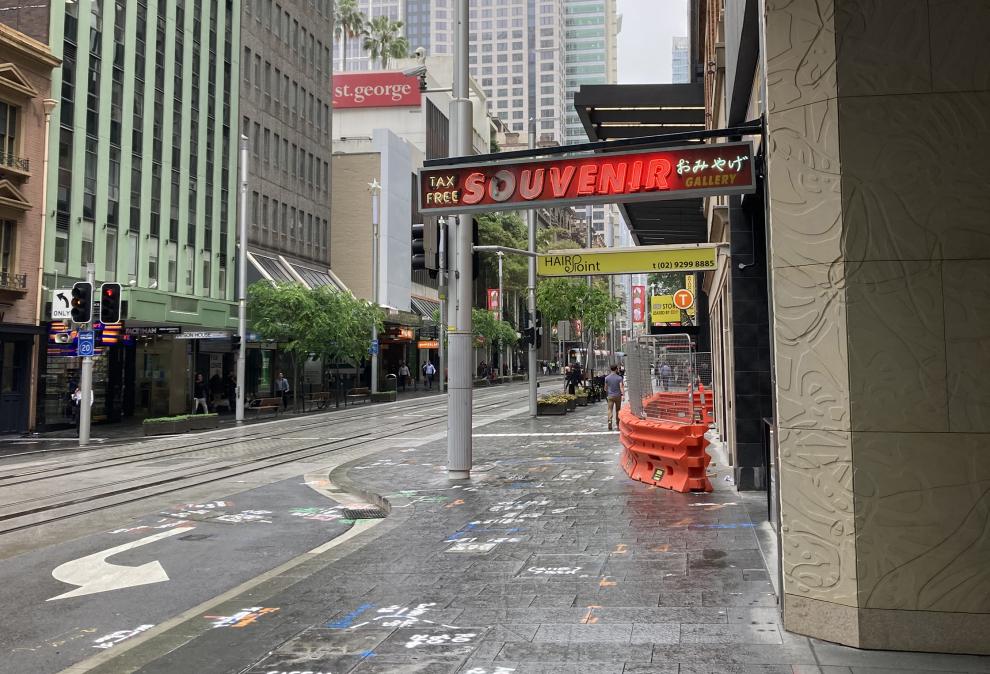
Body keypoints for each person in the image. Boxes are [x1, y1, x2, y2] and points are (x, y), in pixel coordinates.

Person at [605, 363, 625, 431]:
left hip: (610, 396)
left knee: (610, 409)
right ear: (616, 369)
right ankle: (618, 424)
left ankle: (609, 421)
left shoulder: (607, 378)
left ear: (610, 369)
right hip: (618, 396)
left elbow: (605, 388)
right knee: (618, 410)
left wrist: (608, 390)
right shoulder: (619, 378)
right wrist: (623, 395)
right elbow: (621, 387)